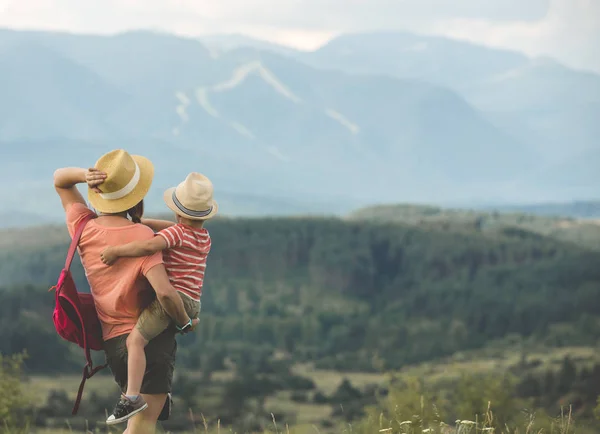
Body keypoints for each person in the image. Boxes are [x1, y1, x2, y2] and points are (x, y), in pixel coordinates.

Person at [53, 149, 198, 434]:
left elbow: (60, 181)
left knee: (137, 425)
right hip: (148, 341)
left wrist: (83, 175)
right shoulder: (142, 237)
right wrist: (186, 322)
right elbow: (166, 293)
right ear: (136, 195)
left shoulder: (82, 226)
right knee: (142, 428)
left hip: (113, 344)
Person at [100, 172, 217, 424]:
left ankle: (131, 397)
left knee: (135, 342)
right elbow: (174, 229)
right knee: (166, 336)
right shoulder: (204, 238)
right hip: (194, 301)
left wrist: (116, 252)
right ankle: (187, 325)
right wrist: (141, 223)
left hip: (173, 300)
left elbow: (148, 247)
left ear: (178, 213)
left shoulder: (175, 235)